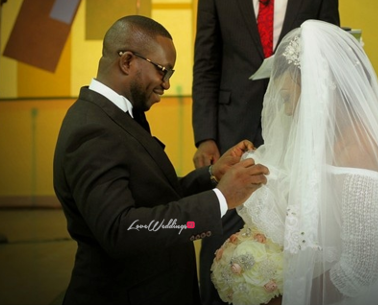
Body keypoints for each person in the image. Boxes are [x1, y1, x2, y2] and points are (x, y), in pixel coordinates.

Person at [53, 15, 269, 305]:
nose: (166, 84)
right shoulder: (92, 129)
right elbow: (123, 230)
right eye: (162, 71)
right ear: (127, 61)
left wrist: (212, 175)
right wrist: (221, 199)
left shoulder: (120, 116)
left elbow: (152, 198)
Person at [234, 20, 378, 304]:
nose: (286, 111)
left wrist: (290, 297)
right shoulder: (333, 144)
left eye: (287, 98)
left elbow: (361, 270)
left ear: (318, 89)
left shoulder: (358, 155)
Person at [192, 0, 340, 303]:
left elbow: (326, 69)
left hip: (296, 131)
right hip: (229, 129)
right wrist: (205, 135)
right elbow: (206, 62)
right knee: (221, 229)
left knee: (288, 234)